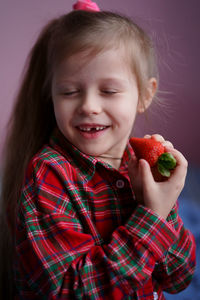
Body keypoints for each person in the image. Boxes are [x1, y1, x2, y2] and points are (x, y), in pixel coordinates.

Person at [0, 0, 196, 299]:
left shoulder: (140, 163)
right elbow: (72, 292)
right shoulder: (48, 175)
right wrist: (152, 217)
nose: (89, 106)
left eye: (109, 90)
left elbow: (178, 277)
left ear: (144, 95)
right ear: (51, 96)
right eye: (70, 92)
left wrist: (165, 205)